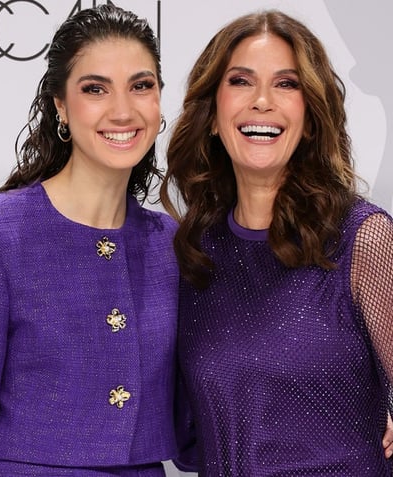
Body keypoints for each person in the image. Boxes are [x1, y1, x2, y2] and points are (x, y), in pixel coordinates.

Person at [159, 10, 393, 475]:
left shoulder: (362, 239)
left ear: (309, 119)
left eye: (287, 84)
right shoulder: (193, 256)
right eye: (241, 81)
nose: (262, 100)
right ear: (212, 115)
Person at [0, 5, 187, 476]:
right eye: (95, 89)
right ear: (61, 106)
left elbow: (199, 411)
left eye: (141, 85)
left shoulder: (172, 243)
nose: (123, 110)